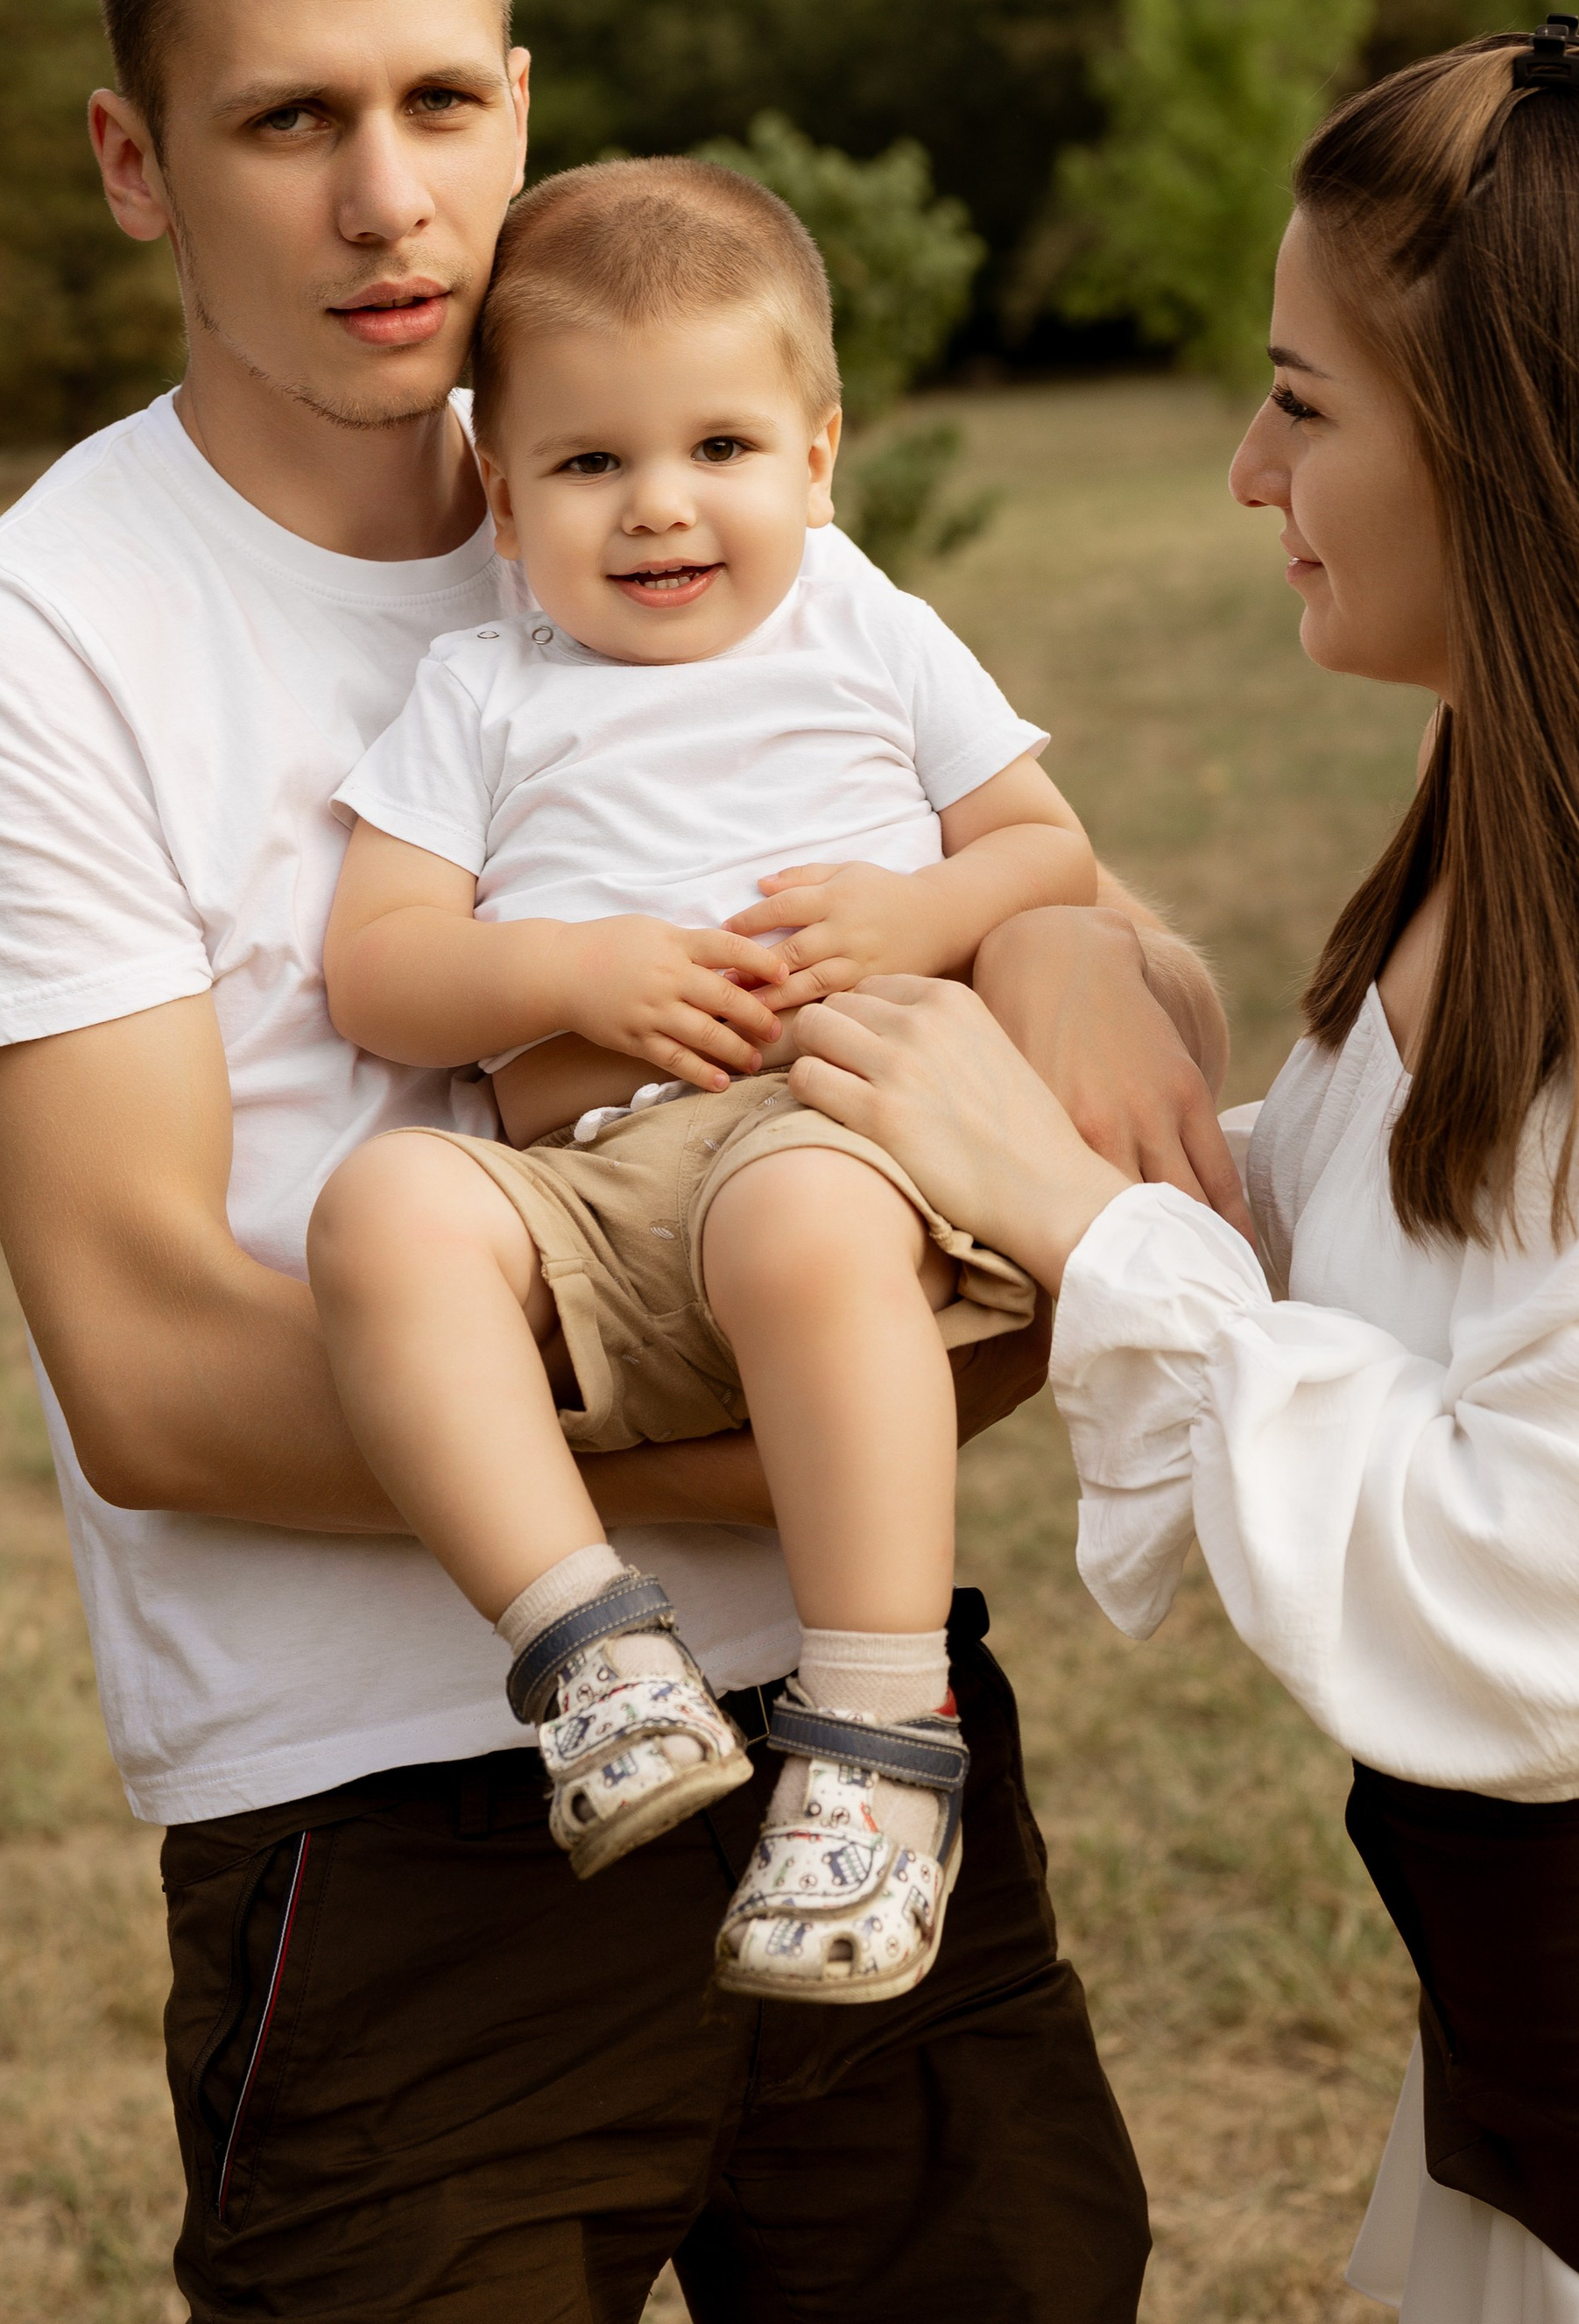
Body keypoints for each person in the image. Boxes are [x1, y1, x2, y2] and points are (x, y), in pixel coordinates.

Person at [0, 0, 1232, 2320]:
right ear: (135, 162)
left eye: (440, 100)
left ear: (521, 99)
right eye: (288, 119)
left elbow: (1062, 908)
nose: (388, 198)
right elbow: (157, 1368)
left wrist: (1058, 957)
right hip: (406, 1838)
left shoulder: (674, 480)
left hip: (878, 1753)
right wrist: (864, 1420)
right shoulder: (35, 633)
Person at [777, 22, 1579, 2323]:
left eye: (1304, 403)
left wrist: (1075, 1209)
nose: (1243, 471)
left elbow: (1567, 1610)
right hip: (1547, 2041)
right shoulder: (1506, 837)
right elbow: (1330, 1281)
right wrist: (1053, 944)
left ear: (1519, 451)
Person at [310, 152, 1096, 2007]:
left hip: (820, 1121)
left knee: (806, 1225)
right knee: (386, 1207)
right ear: (500, 496)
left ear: (818, 458)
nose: (660, 507)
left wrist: (917, 911)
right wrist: (570, 965)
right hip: (586, 1185)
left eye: (720, 449)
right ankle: (591, 1650)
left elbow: (1045, 851)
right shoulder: (483, 693)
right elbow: (381, 966)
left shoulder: (866, 626)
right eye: (588, 465)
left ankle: (875, 1743)